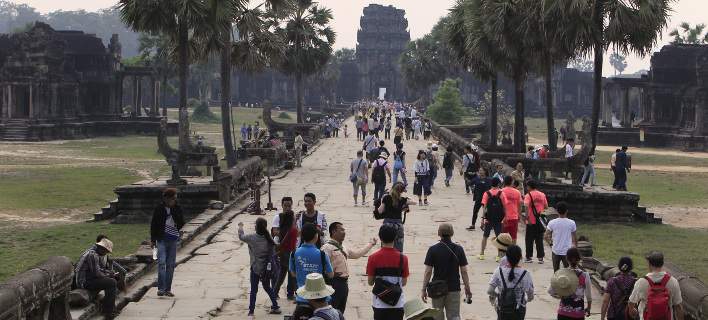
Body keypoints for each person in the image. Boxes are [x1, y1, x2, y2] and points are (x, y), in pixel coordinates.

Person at [321, 222, 377, 313]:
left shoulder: (343, 247)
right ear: (334, 231)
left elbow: (357, 254)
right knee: (332, 311)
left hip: (344, 284)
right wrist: (329, 274)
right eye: (341, 230)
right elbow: (321, 266)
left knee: (340, 311)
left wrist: (370, 244)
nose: (344, 232)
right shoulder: (326, 248)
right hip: (333, 283)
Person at [421, 224, 472, 320]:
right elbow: (464, 271)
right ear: (452, 233)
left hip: (437, 288)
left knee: (437, 316)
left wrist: (423, 289)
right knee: (454, 316)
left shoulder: (433, 249)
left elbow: (428, 272)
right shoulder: (459, 249)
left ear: (439, 233)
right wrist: (467, 288)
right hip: (454, 287)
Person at [238, 218, 282, 319]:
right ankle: (275, 306)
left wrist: (240, 227)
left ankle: (251, 312)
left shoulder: (251, 237)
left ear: (256, 227)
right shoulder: (269, 238)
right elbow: (275, 249)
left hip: (255, 267)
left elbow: (241, 237)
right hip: (266, 269)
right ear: (265, 227)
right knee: (267, 287)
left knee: (254, 290)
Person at [290, 223, 334, 320]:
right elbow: (331, 275)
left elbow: (293, 273)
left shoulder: (294, 253)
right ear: (316, 236)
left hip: (302, 298)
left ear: (302, 236)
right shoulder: (322, 254)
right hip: (320, 301)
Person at [366, 224, 411, 320]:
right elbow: (404, 282)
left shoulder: (373, 258)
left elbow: (370, 282)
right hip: (397, 303)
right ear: (395, 238)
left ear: (380, 238)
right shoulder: (403, 258)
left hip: (379, 304)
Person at [628, 251, 684, 320]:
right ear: (662, 263)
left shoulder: (641, 282)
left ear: (649, 264)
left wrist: (632, 310)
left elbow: (631, 302)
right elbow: (678, 306)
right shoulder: (673, 281)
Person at [150, 188, 185, 297]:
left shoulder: (177, 208)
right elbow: (154, 224)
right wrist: (152, 239)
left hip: (173, 239)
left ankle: (167, 289)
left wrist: (175, 214)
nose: (174, 201)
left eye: (175, 199)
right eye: (172, 199)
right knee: (161, 263)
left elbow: (182, 222)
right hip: (161, 239)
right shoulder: (159, 209)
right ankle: (161, 288)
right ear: (166, 198)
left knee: (170, 265)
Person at [74, 238, 119, 319]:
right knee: (112, 283)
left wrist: (108, 272)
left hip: (88, 278)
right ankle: (109, 311)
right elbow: (97, 274)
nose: (106, 253)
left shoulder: (92, 252)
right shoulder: (92, 255)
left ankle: (109, 306)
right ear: (102, 248)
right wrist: (109, 276)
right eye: (106, 251)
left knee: (111, 280)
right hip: (84, 282)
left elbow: (97, 269)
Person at [487, 245, 535, 320]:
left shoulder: (499, 271)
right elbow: (530, 295)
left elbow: (490, 291)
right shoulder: (525, 274)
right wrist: (526, 300)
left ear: (506, 257)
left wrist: (498, 296)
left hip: (503, 308)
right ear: (520, 257)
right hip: (518, 309)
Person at [549, 248, 592, 320]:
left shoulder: (561, 273)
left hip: (563, 313)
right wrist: (588, 308)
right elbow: (589, 296)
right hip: (578, 314)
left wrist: (561, 296)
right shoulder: (585, 275)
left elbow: (551, 291)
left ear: (567, 259)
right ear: (579, 259)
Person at [271, 197, 298, 300]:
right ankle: (294, 293)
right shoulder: (280, 218)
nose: (287, 207)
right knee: (290, 273)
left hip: (290, 250)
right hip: (286, 251)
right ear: (282, 205)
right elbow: (275, 232)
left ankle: (277, 292)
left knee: (283, 272)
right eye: (285, 205)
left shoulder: (290, 224)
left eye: (289, 205)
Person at [377, 182, 412, 252]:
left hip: (387, 224)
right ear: (401, 191)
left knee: (385, 246)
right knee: (399, 247)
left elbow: (379, 211)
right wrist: (404, 204)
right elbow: (414, 202)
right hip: (398, 225)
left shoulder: (386, 198)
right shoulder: (402, 200)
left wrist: (382, 202)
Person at [545, 202, 578, 272]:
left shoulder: (552, 222)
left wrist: (550, 243)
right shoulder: (572, 223)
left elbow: (545, 236)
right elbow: (575, 238)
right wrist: (575, 249)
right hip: (567, 251)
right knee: (568, 272)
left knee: (556, 272)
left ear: (557, 211)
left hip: (555, 250)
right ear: (567, 211)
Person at [479, 178, 507, 260]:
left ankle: (482, 254)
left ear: (491, 184)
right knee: (499, 237)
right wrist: (505, 217)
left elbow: (484, 208)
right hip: (499, 219)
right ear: (498, 184)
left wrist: (482, 219)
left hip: (489, 218)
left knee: (485, 236)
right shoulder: (502, 193)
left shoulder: (486, 193)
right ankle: (498, 256)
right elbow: (505, 206)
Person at [523, 180, 548, 264]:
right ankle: (540, 258)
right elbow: (546, 206)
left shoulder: (528, 195)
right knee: (539, 239)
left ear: (529, 187)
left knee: (529, 239)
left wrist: (527, 217)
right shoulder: (542, 194)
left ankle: (529, 257)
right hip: (540, 221)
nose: (526, 188)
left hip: (531, 220)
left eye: (527, 186)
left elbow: (526, 206)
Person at [501, 176, 522, 243]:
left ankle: (501, 253)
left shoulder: (501, 191)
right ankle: (512, 252)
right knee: (513, 237)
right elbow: (519, 205)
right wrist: (519, 215)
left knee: (502, 237)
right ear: (512, 182)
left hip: (503, 217)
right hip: (514, 217)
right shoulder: (517, 192)